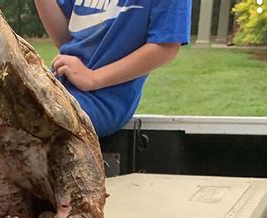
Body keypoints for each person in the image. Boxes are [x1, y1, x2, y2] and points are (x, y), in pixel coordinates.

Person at [34, 0, 192, 137]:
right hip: (60, 84)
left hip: (105, 100)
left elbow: (166, 46)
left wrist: (93, 77)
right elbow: (66, 38)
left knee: (28, 118)